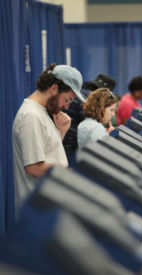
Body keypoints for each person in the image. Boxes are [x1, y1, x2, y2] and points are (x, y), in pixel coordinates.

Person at [12, 64, 84, 215]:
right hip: (38, 211)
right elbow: (34, 167)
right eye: (67, 100)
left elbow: (47, 155)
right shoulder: (32, 116)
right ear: (54, 88)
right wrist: (72, 173)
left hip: (47, 206)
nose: (66, 106)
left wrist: (60, 132)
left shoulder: (42, 113)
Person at [63, 73, 116, 165]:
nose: (113, 114)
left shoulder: (81, 94)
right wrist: (108, 137)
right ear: (101, 105)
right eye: (111, 110)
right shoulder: (94, 126)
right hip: (70, 150)